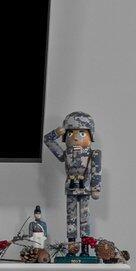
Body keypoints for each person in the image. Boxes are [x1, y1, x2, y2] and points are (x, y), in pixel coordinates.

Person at [42, 110, 102, 258]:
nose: (75, 137)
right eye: (70, 134)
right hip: (70, 188)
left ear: (90, 135)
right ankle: (71, 249)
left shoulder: (93, 154)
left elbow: (96, 171)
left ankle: (85, 250)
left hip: (85, 188)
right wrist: (57, 132)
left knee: (84, 219)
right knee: (71, 218)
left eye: (81, 133)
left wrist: (96, 188)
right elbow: (47, 140)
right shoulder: (66, 153)